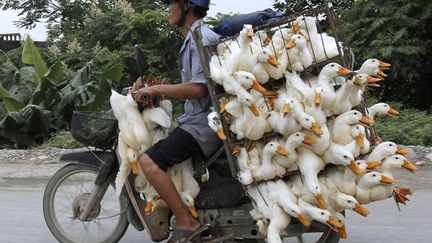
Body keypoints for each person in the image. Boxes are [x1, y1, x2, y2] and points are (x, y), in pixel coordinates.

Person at [135, 0, 221, 242]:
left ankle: (187, 222)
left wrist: (157, 89)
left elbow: (197, 89)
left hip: (203, 125)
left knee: (148, 161)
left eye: (171, 3)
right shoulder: (193, 37)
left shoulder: (200, 38)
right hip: (198, 120)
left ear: (186, 6)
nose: (168, 9)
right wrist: (158, 93)